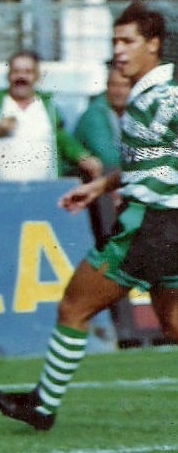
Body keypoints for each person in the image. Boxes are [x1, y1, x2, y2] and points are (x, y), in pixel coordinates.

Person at [0, 2, 178, 430]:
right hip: (164, 226)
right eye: (115, 41)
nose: (118, 51)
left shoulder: (165, 97)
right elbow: (149, 162)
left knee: (74, 306)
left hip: (149, 225)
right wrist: (101, 186)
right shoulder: (149, 93)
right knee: (172, 325)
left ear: (153, 44)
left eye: (128, 41)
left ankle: (42, 407)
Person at [73, 59, 142, 347]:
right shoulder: (95, 116)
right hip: (93, 206)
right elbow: (110, 158)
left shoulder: (137, 113)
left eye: (125, 86)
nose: (119, 91)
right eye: (114, 85)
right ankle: (122, 325)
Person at [0, 50, 102, 182]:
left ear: (37, 76)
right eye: (16, 71)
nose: (21, 77)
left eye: (28, 72)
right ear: (8, 75)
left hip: (43, 188)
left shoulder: (49, 107)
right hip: (3, 190)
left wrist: (82, 156)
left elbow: (63, 141)